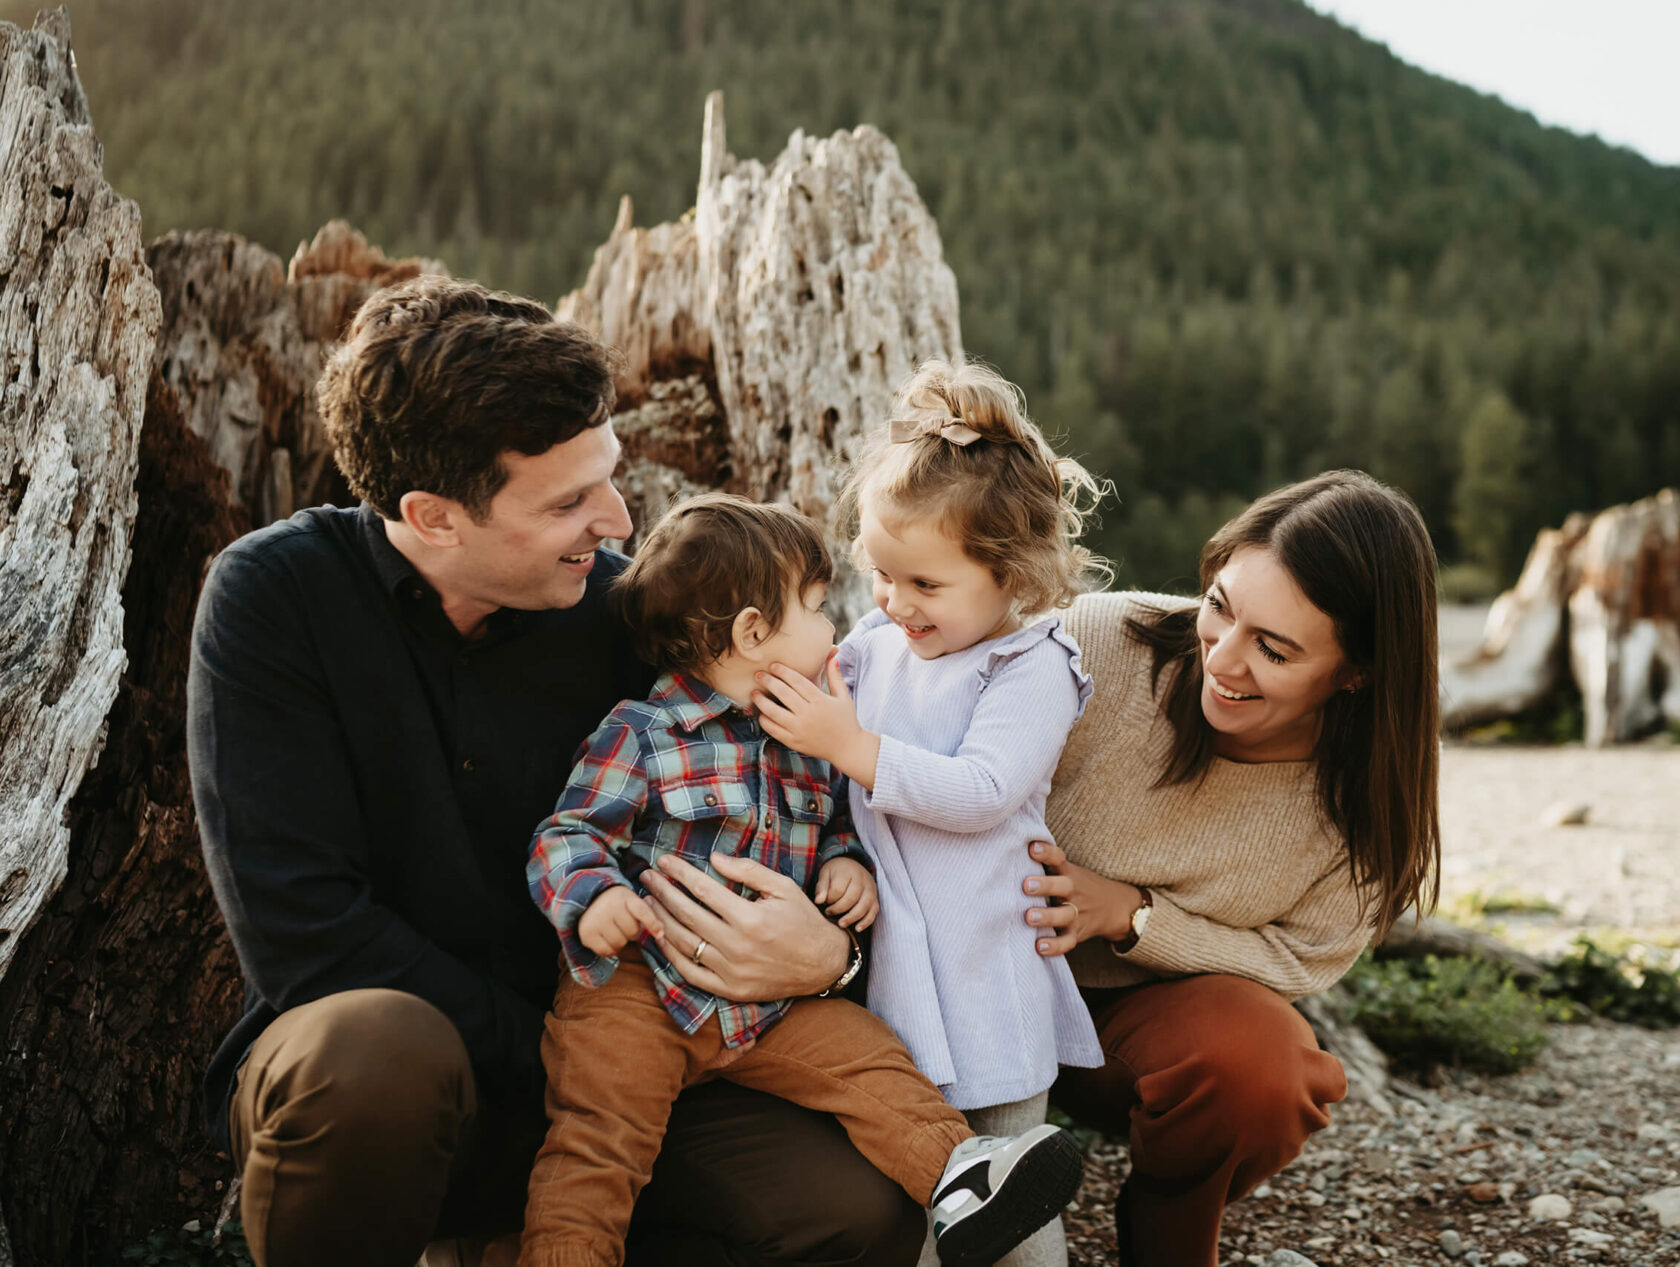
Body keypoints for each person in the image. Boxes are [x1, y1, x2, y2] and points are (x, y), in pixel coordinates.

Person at [187, 276, 924, 1267]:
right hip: (406, 1086)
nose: (617, 520)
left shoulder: (634, 620)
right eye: (571, 499)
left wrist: (824, 959)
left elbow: (782, 812)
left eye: (608, 478)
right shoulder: (276, 600)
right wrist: (561, 1055)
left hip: (630, 1061)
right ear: (433, 515)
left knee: (850, 1207)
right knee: (369, 1058)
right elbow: (304, 931)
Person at [519, 492, 1083, 1267]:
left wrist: (844, 863)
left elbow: (833, 823)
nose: (838, 627)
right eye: (818, 607)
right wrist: (594, 900)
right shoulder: (644, 735)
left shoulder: (807, 732)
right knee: (598, 1140)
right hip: (638, 987)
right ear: (754, 632)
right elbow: (567, 833)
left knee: (869, 1058)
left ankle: (960, 1175)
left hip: (767, 1004)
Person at [1023, 470, 1444, 1267]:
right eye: (1220, 606)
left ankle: (1167, 1233)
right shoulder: (1097, 641)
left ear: (1355, 672)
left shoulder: (1371, 794)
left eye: (1275, 649)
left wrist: (1136, 916)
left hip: (1126, 1034)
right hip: (966, 971)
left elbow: (1300, 958)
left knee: (1266, 1069)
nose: (1223, 658)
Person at [753, 360, 1107, 1267]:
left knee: (1008, 1199)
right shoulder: (877, 644)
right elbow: (827, 757)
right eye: (881, 575)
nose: (895, 604)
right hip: (894, 979)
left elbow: (984, 792)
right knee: (915, 1188)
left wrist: (853, 746)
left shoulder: (1032, 667)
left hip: (989, 976)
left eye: (925, 585)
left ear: (1013, 574)